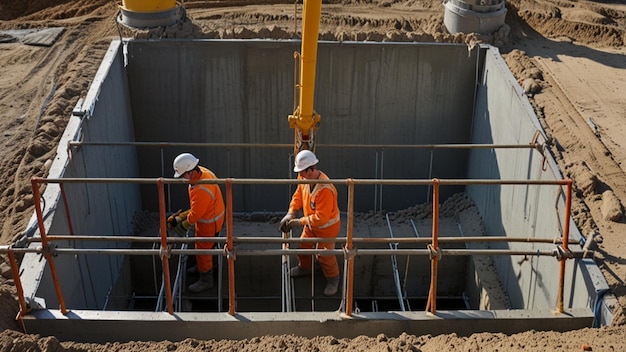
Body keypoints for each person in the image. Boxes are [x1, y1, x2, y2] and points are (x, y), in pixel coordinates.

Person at [279, 150, 341, 296]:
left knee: (325, 255)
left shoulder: (324, 189)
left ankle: (333, 279)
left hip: (327, 228)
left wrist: (299, 222)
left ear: (311, 169)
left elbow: (322, 218)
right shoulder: (305, 180)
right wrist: (291, 213)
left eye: (302, 172)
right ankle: (305, 268)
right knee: (303, 247)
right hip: (311, 225)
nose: (300, 176)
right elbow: (298, 196)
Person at [169, 152, 225, 293]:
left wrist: (183, 224)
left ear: (191, 172)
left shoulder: (201, 189)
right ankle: (204, 267)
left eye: (183, 175)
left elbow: (196, 214)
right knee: (208, 247)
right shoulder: (203, 172)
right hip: (213, 215)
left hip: (209, 223)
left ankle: (206, 280)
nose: (182, 179)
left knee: (202, 250)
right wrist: (182, 216)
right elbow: (198, 207)